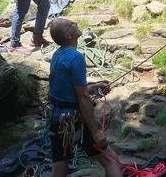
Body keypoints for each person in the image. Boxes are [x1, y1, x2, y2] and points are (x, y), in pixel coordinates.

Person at [47, 17, 123, 177]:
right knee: (111, 160)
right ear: (68, 36)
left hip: (56, 118)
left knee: (59, 166)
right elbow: (82, 97)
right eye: (71, 25)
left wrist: (92, 88)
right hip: (72, 120)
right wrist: (95, 132)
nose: (75, 24)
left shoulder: (57, 55)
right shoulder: (76, 57)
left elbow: (66, 90)